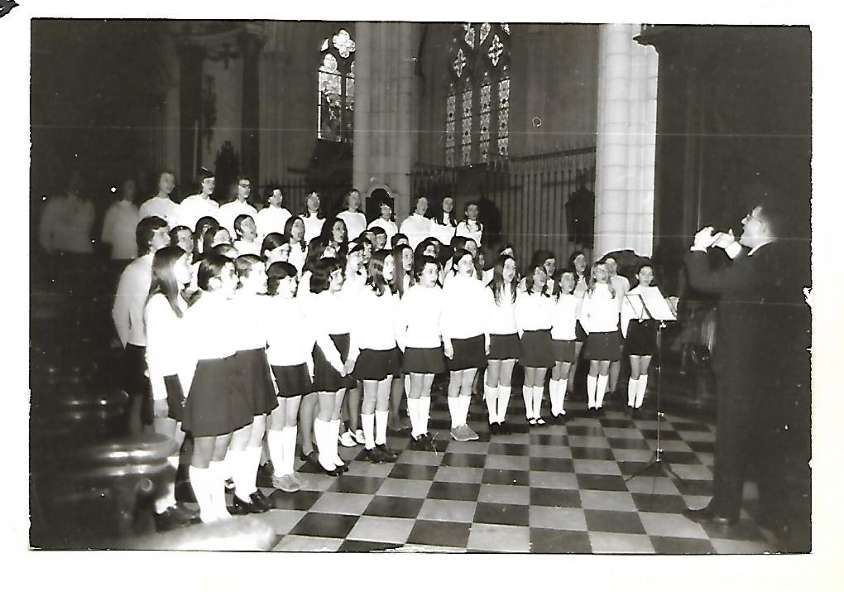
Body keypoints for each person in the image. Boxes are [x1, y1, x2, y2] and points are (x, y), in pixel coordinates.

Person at [682, 197, 810, 553]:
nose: (743, 218)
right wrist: (733, 246)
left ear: (763, 227)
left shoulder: (757, 265)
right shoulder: (771, 258)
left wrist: (698, 247)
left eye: (750, 217)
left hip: (742, 367)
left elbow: (703, 280)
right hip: (763, 367)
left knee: (733, 438)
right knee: (750, 441)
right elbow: (748, 269)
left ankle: (726, 511)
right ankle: (748, 511)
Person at [181, 253, 246, 523]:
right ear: (215, 282)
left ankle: (219, 505)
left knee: (222, 446)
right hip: (206, 380)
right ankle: (206, 508)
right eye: (231, 274)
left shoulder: (230, 307)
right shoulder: (197, 312)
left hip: (228, 374)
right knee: (204, 448)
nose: (237, 279)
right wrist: (186, 396)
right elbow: (186, 358)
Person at [143, 245, 198, 531]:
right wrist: (159, 395)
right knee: (164, 447)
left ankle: (169, 502)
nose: (190, 267)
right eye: (185, 263)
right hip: (166, 381)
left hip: (181, 379)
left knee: (176, 445)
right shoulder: (158, 304)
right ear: (169, 269)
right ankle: (158, 508)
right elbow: (153, 353)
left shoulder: (180, 301)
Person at [226, 255, 277, 514]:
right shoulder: (231, 302)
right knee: (242, 434)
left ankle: (250, 487)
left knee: (258, 430)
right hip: (240, 365)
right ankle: (240, 492)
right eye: (259, 273)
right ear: (242, 277)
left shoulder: (262, 303)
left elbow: (266, 342)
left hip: (258, 363)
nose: (265, 277)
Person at [112, 216, 171, 434]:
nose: (168, 237)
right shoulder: (135, 270)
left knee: (158, 407)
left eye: (168, 232)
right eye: (162, 234)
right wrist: (130, 345)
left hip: (163, 345)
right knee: (139, 403)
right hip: (140, 345)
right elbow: (119, 312)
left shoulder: (167, 267)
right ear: (148, 240)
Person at [347, 250, 401, 463]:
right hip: (370, 352)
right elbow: (356, 326)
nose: (391, 267)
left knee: (383, 399)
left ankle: (381, 441)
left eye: (392, 264)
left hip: (388, 350)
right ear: (377, 266)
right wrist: (353, 355)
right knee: (369, 398)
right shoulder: (366, 293)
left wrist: (402, 346)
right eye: (387, 263)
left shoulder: (391, 291)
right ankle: (369, 445)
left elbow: (396, 324)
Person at [264, 262, 313, 492]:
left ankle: (288, 468)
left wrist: (308, 365)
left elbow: (305, 338)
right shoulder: (267, 305)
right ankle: (278, 471)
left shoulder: (297, 306)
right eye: (290, 280)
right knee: (278, 420)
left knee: (291, 419)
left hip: (297, 364)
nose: (293, 284)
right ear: (277, 282)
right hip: (276, 365)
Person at [307, 257, 354, 473]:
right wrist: (338, 363)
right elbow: (322, 337)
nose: (341, 277)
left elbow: (355, 329)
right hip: (328, 357)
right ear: (325, 277)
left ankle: (333, 453)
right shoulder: (317, 301)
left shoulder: (343, 298)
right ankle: (324, 457)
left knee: (336, 409)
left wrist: (352, 357)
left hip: (344, 354)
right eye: (336, 274)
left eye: (341, 273)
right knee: (326, 409)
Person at [396, 255, 444, 450]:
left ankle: (423, 429)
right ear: (419, 274)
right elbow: (400, 325)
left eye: (436, 272)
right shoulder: (411, 294)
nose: (434, 276)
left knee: (426, 389)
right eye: (430, 272)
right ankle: (416, 431)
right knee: (416, 389)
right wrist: (406, 347)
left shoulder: (439, 293)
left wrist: (443, 341)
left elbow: (443, 320)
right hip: (415, 347)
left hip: (432, 345)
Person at [440, 248, 487, 441]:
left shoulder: (478, 286)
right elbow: (445, 316)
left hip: (475, 337)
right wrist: (447, 342)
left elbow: (484, 315)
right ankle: (454, 424)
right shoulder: (450, 285)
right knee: (456, 381)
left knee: (469, 382)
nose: (468, 265)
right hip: (457, 338)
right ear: (456, 266)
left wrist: (487, 340)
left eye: (470, 261)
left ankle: (463, 423)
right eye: (464, 262)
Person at [579, 262, 622, 416]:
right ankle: (591, 403)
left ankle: (599, 403)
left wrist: (611, 326)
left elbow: (616, 313)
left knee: (605, 368)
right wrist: (591, 330)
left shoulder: (612, 292)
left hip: (609, 333)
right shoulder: (590, 292)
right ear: (594, 274)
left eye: (604, 271)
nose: (602, 273)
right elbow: (583, 315)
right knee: (594, 367)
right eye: (598, 271)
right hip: (595, 333)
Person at [483, 254, 520, 434]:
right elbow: (484, 319)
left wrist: (519, 338)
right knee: (493, 378)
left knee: (506, 380)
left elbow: (518, 317)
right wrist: (487, 341)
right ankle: (492, 418)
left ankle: (501, 418)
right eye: (507, 267)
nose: (511, 272)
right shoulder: (489, 290)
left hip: (511, 337)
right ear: (499, 269)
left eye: (513, 268)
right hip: (495, 338)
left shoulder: (516, 290)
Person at [620, 262, 661, 417]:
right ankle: (630, 403)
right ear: (637, 276)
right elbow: (625, 316)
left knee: (644, 371)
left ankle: (639, 404)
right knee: (635, 371)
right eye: (643, 273)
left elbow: (658, 313)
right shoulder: (631, 294)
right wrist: (626, 336)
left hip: (649, 331)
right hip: (635, 332)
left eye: (649, 274)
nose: (646, 277)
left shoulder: (655, 293)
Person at [516, 263, 555, 425]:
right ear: (531, 277)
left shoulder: (549, 298)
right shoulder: (524, 297)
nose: (541, 276)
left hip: (544, 338)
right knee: (529, 378)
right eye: (538, 273)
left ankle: (537, 413)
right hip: (529, 338)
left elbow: (552, 320)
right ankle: (529, 412)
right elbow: (518, 320)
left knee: (541, 379)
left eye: (543, 273)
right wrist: (522, 338)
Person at [549, 271, 581, 423]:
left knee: (565, 374)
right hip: (556, 340)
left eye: (572, 279)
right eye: (566, 279)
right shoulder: (553, 300)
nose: (570, 282)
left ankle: (560, 407)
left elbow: (577, 318)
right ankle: (554, 408)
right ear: (559, 283)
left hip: (569, 340)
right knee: (556, 373)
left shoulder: (576, 300)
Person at [101, 179, 140, 265]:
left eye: (134, 187)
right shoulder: (113, 209)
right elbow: (105, 236)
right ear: (123, 189)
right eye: (129, 186)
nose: (132, 189)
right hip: (119, 258)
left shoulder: (137, 210)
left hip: (135, 258)